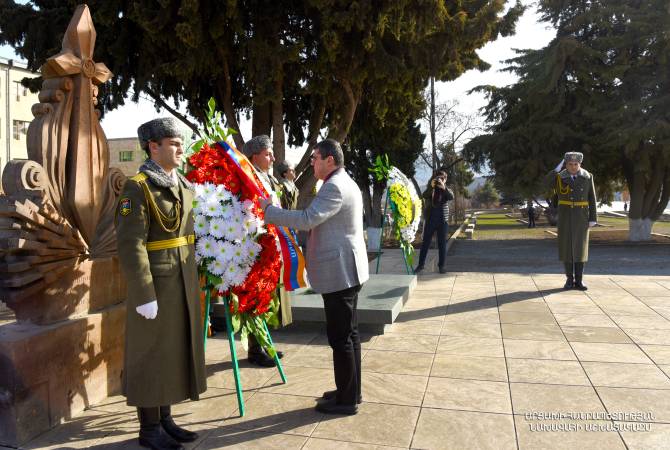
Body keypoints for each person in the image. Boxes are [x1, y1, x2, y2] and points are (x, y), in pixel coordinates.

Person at [260, 139, 369, 415]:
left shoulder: (334, 186)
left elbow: (308, 219)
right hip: (347, 269)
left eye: (315, 158)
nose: (312, 162)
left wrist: (269, 212)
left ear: (330, 160)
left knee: (341, 338)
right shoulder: (342, 181)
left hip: (340, 272)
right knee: (350, 334)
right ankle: (350, 391)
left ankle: (346, 401)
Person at [116, 118, 206, 450]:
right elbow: (131, 244)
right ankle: (149, 429)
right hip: (156, 285)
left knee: (171, 352)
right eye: (174, 143)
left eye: (181, 143)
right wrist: (144, 294)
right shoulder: (137, 188)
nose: (181, 149)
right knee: (150, 354)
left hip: (182, 282)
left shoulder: (182, 184)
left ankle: (166, 420)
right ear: (153, 147)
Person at [242, 135, 289, 367]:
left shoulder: (267, 178)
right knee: (255, 296)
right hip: (255, 245)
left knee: (265, 297)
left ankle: (263, 343)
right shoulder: (247, 177)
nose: (273, 158)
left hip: (269, 243)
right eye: (268, 154)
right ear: (254, 156)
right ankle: (255, 349)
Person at [545, 151, 597, 290]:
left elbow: (592, 198)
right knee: (566, 248)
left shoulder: (587, 176)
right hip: (565, 216)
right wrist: (556, 170)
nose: (573, 167)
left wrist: (593, 218)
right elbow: (546, 183)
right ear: (565, 165)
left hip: (581, 216)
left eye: (576, 164)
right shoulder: (560, 177)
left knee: (581, 249)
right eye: (570, 164)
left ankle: (579, 280)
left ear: (580, 164)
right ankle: (569, 280)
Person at [414, 169, 454, 274]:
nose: (440, 180)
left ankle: (441, 266)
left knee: (442, 244)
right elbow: (424, 195)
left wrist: (444, 187)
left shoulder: (447, 190)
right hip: (431, 219)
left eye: (442, 178)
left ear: (445, 179)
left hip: (443, 221)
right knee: (425, 243)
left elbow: (451, 197)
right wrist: (431, 187)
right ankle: (421, 265)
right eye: (438, 178)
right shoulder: (431, 188)